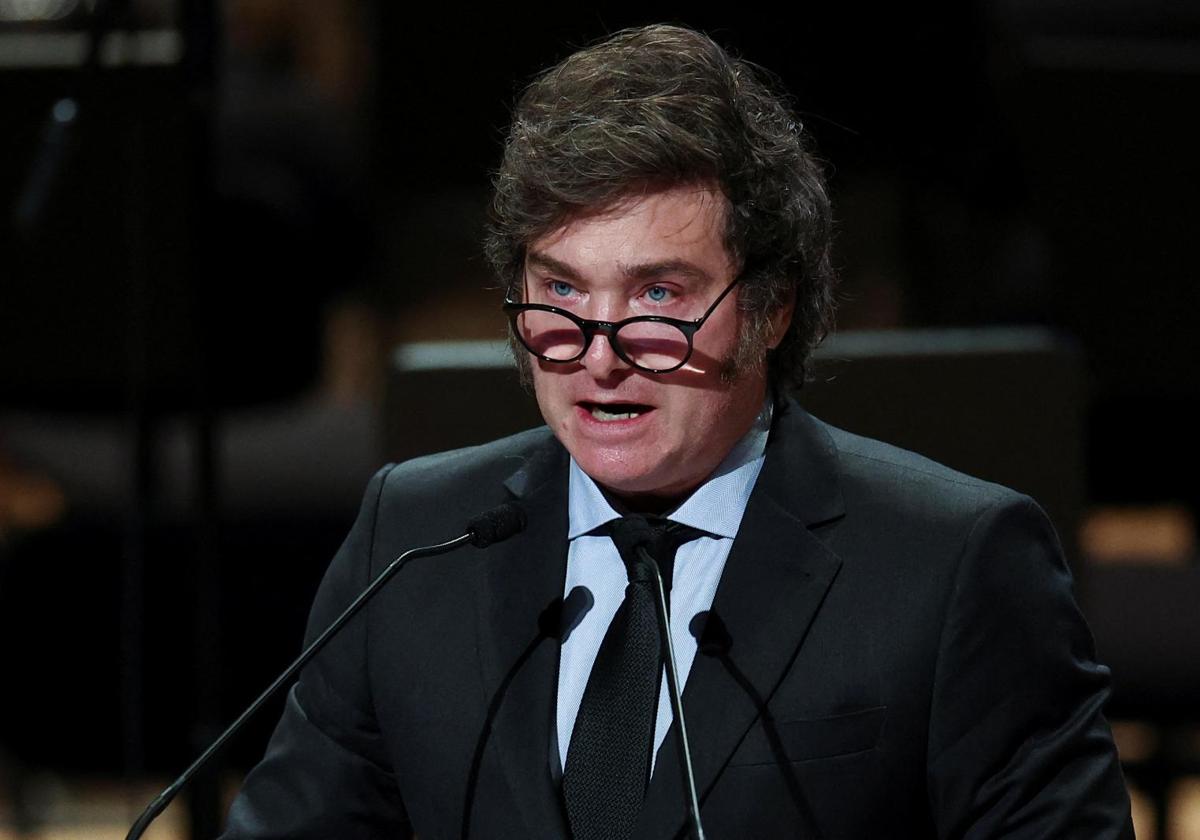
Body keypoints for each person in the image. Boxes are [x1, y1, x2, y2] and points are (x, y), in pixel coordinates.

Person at [221, 24, 1133, 839]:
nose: (599, 356)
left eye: (658, 295)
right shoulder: (413, 540)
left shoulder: (954, 566)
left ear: (773, 307)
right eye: (561, 291)